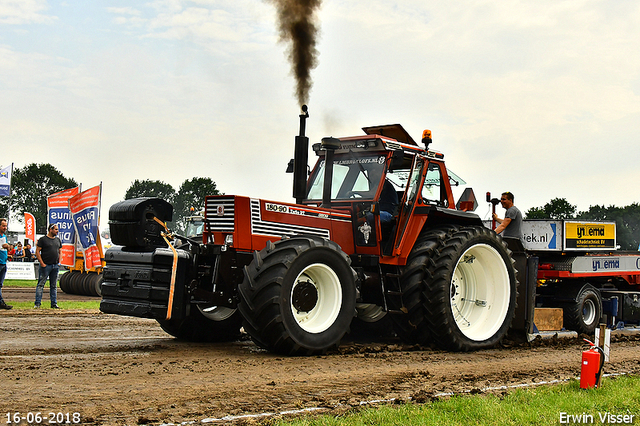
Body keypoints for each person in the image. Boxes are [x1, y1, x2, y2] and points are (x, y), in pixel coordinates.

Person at [35, 223, 63, 309]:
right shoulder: (43, 240)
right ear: (50, 229)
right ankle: (38, 303)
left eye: (57, 229)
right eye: (55, 229)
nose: (57, 231)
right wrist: (42, 263)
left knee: (54, 285)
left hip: (55, 265)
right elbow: (37, 251)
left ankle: (54, 303)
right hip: (46, 265)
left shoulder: (57, 240)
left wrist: (59, 262)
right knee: (41, 284)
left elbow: (60, 251)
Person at [0, 219, 12, 309]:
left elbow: (5, 248)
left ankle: (1, 302)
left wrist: (8, 248)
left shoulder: (4, 236)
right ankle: (1, 302)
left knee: (0, 284)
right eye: (3, 226)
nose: (5, 228)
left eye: (6, 226)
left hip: (3, 262)